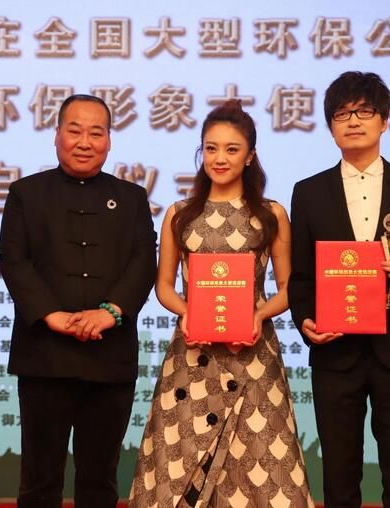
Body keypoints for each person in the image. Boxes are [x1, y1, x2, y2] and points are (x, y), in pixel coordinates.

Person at [130, 100, 314, 507]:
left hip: (254, 355)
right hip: (192, 358)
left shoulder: (271, 214)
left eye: (232, 149)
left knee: (263, 465)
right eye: (211, 148)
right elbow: (164, 287)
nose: (220, 158)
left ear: (250, 156)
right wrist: (188, 313)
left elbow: (289, 288)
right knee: (178, 466)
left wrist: (258, 314)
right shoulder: (179, 214)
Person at [288, 71, 390, 507]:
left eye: (364, 111)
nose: (353, 121)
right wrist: (305, 321)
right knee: (339, 477)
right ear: (330, 127)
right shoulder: (308, 192)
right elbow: (300, 277)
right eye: (341, 113)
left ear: (384, 121)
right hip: (335, 351)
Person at [0, 94, 157, 508]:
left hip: (110, 356)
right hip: (44, 356)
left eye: (96, 133)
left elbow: (144, 262)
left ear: (109, 140)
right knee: (39, 478)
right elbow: (14, 260)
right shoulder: (25, 193)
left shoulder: (132, 198)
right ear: (56, 135)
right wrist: (51, 315)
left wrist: (110, 312)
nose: (85, 142)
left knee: (100, 479)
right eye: (74, 131)